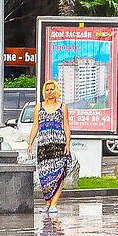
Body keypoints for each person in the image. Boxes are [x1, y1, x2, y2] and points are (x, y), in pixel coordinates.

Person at [26, 79, 72, 214]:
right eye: (47, 90)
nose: (49, 92)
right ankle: (47, 202)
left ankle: (54, 203)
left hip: (58, 144)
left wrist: (68, 143)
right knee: (45, 174)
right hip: (43, 145)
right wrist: (30, 143)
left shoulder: (62, 106)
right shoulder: (38, 107)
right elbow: (35, 126)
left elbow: (66, 125)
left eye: (51, 89)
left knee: (58, 174)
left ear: (56, 90)